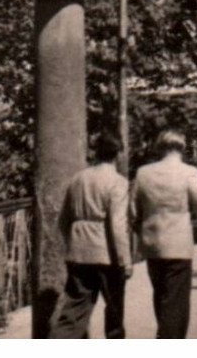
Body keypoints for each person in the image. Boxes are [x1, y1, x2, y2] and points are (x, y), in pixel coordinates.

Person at [132, 129, 197, 338]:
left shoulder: (143, 173)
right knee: (176, 304)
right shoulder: (189, 173)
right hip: (178, 247)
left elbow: (132, 211)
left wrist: (139, 235)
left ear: (160, 147)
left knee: (161, 299)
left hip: (152, 246)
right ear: (182, 148)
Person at [51, 131, 131, 339]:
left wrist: (73, 243)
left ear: (96, 152)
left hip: (79, 253)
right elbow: (117, 225)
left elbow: (63, 221)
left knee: (74, 312)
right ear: (118, 154)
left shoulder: (77, 179)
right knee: (114, 314)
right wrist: (125, 260)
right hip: (107, 255)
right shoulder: (118, 182)